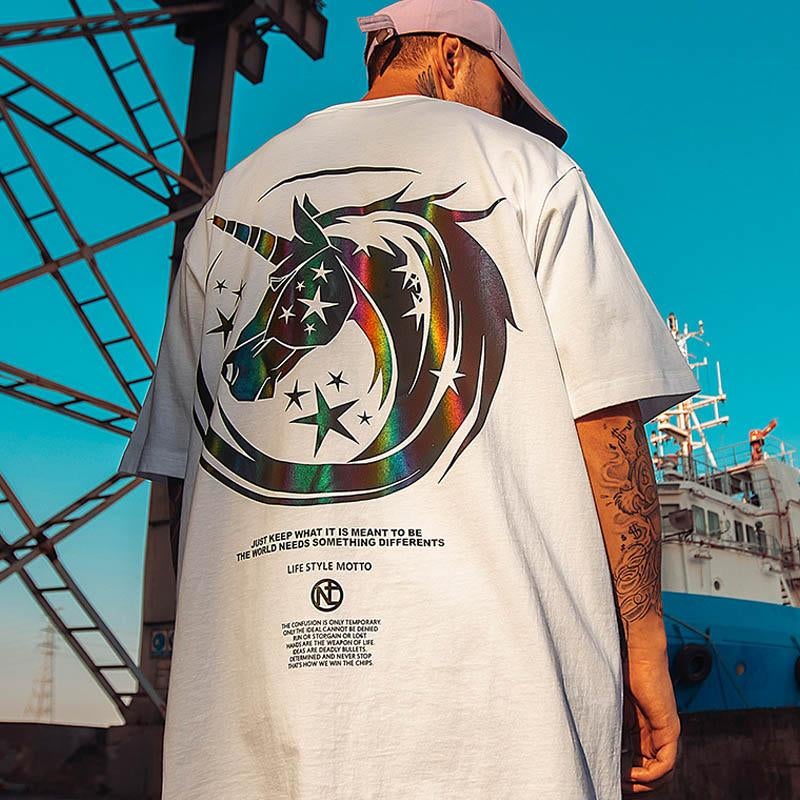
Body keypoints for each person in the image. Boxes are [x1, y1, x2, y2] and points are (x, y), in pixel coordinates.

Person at [120, 0, 700, 797]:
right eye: (504, 97)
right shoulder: (531, 172)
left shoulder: (230, 200)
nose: (507, 121)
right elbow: (608, 422)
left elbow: (182, 470)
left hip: (248, 742)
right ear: (452, 59)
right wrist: (644, 642)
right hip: (495, 731)